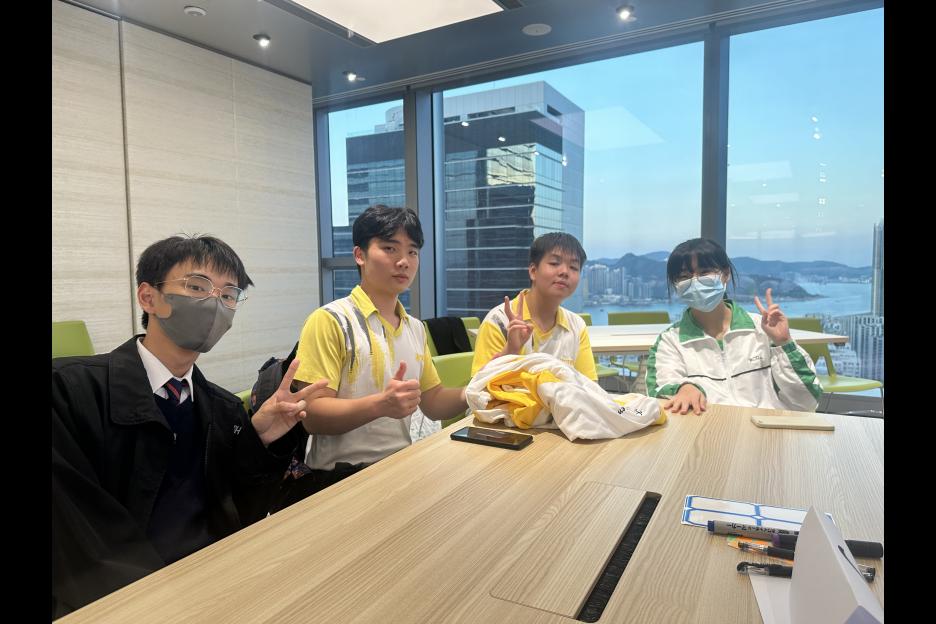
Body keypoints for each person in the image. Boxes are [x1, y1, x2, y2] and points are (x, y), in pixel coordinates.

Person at [52, 235, 328, 617]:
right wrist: (165, 604)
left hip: (214, 587)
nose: (215, 304)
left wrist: (259, 442)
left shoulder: (224, 408)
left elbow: (241, 513)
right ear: (148, 297)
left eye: (229, 295)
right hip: (125, 605)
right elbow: (78, 533)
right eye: (197, 287)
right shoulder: (68, 391)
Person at [276, 205, 469, 509]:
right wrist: (381, 404)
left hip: (401, 469)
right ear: (360, 255)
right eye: (390, 248)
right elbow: (312, 415)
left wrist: (477, 390)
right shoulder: (331, 320)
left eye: (412, 251)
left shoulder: (415, 328)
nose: (404, 261)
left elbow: (433, 402)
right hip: (339, 482)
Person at [646, 237, 821, 415]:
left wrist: (784, 344)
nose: (696, 282)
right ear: (676, 285)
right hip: (707, 428)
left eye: (705, 272)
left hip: (767, 427)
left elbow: (807, 402)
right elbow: (659, 390)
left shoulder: (763, 330)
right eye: (684, 277)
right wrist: (682, 388)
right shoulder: (670, 341)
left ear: (726, 274)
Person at [471, 232, 596, 380]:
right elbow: (480, 388)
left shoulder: (576, 326)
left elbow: (589, 386)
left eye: (573, 267)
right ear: (533, 271)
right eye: (554, 263)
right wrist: (511, 350)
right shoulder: (499, 322)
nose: (564, 272)